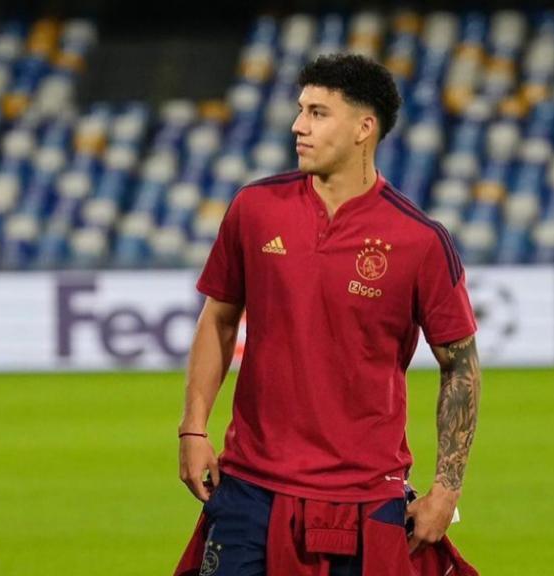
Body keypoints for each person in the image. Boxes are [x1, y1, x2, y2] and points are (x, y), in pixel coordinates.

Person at [175, 53, 481, 575]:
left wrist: (446, 489)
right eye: (301, 110)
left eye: (318, 113)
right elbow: (219, 318)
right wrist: (194, 428)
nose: (299, 125)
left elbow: (460, 365)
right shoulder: (254, 208)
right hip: (249, 487)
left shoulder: (421, 241)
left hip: (364, 497)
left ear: (364, 128)